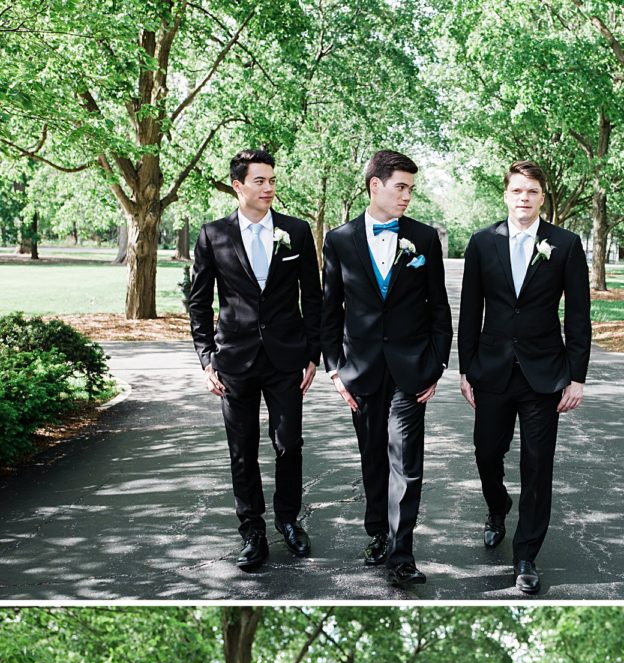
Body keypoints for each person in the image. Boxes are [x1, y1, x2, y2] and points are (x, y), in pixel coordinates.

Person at [458, 161, 591, 596]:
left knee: (537, 466)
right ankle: (497, 508)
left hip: (544, 374)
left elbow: (578, 315)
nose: (525, 198)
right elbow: (470, 310)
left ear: (542, 197)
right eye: (517, 190)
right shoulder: (482, 243)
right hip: (492, 372)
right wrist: (465, 368)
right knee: (485, 454)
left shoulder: (566, 244)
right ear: (506, 194)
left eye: (533, 191)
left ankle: (526, 556)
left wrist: (577, 377)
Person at [321, 150, 453, 588]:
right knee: (372, 457)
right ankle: (377, 532)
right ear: (375, 185)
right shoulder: (339, 240)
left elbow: (439, 308)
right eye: (401, 187)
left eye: (411, 189)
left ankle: (402, 551)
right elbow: (329, 311)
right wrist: (336, 370)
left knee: (406, 462)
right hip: (359, 370)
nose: (407, 196)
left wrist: (435, 366)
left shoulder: (424, 239)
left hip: (411, 371)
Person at [189, 148, 322, 571]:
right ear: (238, 186)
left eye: (272, 181)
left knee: (289, 445)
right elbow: (198, 302)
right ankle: (252, 532)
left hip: (286, 359)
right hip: (234, 360)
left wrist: (312, 355)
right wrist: (207, 357)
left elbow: (313, 299)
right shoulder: (212, 235)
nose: (269, 189)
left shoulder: (296, 232)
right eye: (260, 181)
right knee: (241, 451)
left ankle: (288, 521)